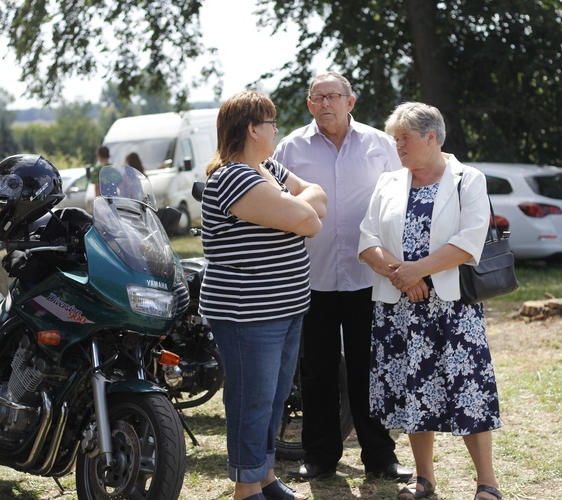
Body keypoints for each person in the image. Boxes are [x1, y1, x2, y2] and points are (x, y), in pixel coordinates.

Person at [357, 102, 502, 500]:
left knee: (468, 390)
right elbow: (366, 241)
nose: (397, 145)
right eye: (395, 138)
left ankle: (487, 483)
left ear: (431, 137)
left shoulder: (467, 179)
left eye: (404, 138)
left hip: (452, 309)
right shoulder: (388, 182)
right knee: (411, 392)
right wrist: (401, 277)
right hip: (400, 307)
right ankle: (424, 479)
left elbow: (469, 242)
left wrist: (417, 270)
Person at [273, 71, 413, 483]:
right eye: (317, 98)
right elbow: (275, 200)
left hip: (368, 277)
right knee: (316, 371)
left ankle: (380, 457)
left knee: (369, 368)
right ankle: (319, 458)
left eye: (333, 96)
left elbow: (401, 199)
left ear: (351, 102)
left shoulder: (380, 144)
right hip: (310, 276)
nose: (325, 104)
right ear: (309, 104)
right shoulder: (290, 147)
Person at [200, 90, 327, 500]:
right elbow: (310, 221)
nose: (276, 130)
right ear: (253, 129)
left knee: (273, 397)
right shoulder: (234, 176)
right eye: (271, 123)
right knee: (251, 400)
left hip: (284, 306)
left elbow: (319, 197)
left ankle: (264, 475)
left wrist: (290, 204)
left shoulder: (266, 167)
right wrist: (295, 208)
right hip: (248, 312)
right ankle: (245, 486)